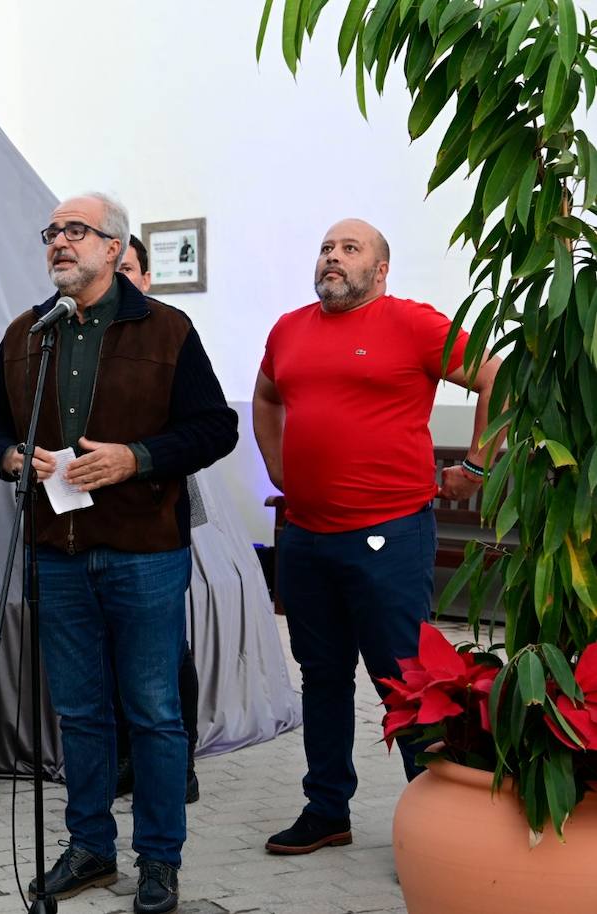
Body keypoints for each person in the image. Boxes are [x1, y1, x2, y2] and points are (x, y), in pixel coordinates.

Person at [0, 193, 238, 914]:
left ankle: (159, 860)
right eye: (52, 232)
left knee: (153, 713)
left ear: (116, 248)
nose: (59, 242)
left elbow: (216, 429)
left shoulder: (168, 329)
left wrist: (136, 458)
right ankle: (89, 847)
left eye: (75, 231)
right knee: (81, 713)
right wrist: (8, 458)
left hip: (144, 553)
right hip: (55, 554)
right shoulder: (29, 332)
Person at [254, 218, 500, 855]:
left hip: (390, 533)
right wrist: (279, 466)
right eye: (326, 248)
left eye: (349, 249)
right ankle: (327, 808)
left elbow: (495, 375)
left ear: (381, 269)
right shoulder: (289, 329)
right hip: (307, 536)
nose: (333, 257)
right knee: (323, 674)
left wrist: (476, 465)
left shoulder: (412, 323)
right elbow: (266, 395)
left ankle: (436, 822)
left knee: (406, 677)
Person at [116, 235, 201, 804]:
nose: (117, 278)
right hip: (93, 518)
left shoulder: (170, 331)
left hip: (158, 507)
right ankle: (125, 759)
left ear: (146, 278)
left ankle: (180, 763)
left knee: (166, 648)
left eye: (126, 268)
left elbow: (204, 426)